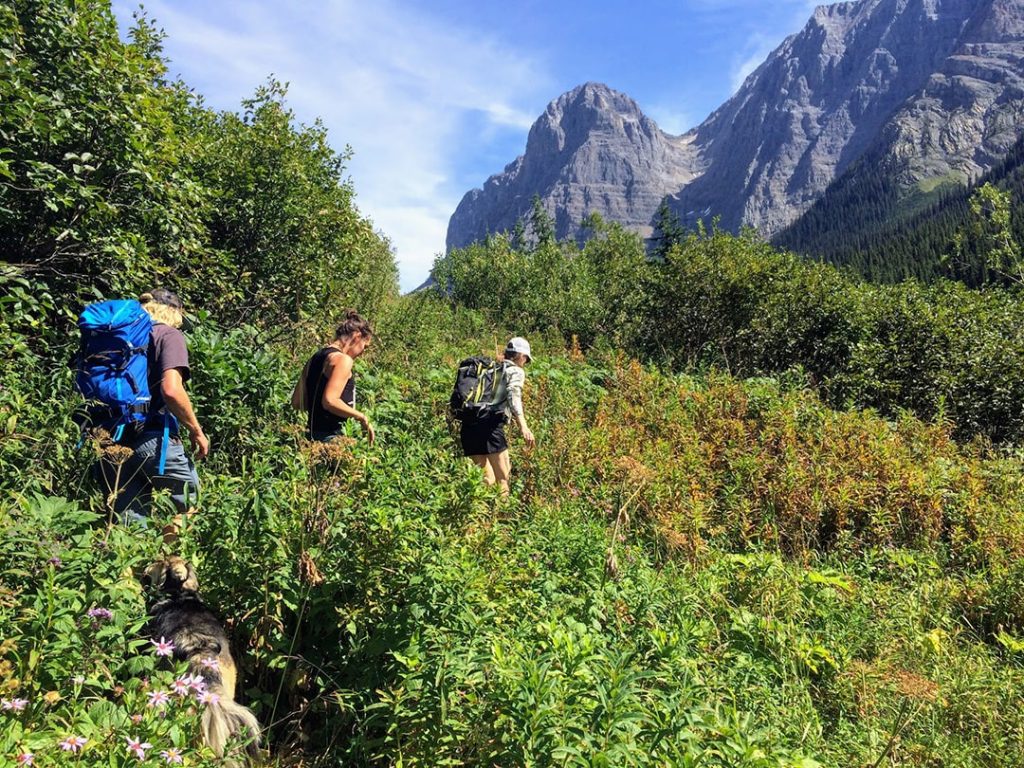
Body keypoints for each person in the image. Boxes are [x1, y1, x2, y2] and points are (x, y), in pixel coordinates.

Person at [96, 289, 208, 533]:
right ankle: (170, 568)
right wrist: (196, 430)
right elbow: (171, 390)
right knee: (189, 507)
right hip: (154, 441)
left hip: (109, 440)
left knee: (129, 534)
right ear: (174, 313)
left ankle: (139, 571)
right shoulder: (168, 335)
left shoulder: (117, 338)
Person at [461, 337, 536, 497]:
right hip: (490, 425)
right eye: (526, 360)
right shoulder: (515, 371)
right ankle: (501, 519)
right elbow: (513, 395)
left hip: (469, 424)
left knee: (486, 479)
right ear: (521, 356)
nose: (525, 363)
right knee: (503, 479)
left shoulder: (490, 369)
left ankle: (482, 518)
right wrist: (523, 426)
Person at [292, 310, 375, 444]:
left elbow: (297, 402)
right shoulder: (343, 360)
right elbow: (330, 401)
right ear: (357, 336)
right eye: (364, 347)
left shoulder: (314, 359)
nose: (362, 353)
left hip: (310, 438)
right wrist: (361, 417)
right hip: (333, 439)